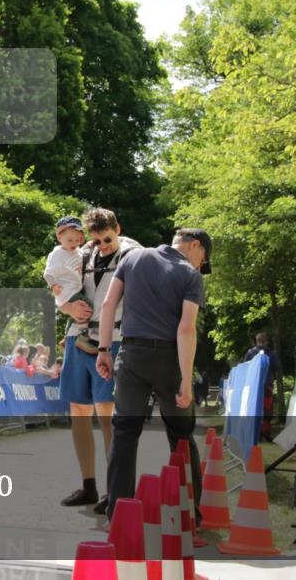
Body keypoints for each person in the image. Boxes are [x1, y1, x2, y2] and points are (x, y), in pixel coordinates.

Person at [96, 228, 213, 523]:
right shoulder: (190, 275)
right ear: (195, 246)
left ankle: (119, 513)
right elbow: (186, 329)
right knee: (182, 434)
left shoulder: (133, 258)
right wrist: (186, 381)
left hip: (131, 355)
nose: (201, 266)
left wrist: (103, 349)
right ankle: (189, 514)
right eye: (204, 259)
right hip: (169, 360)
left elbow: (108, 305)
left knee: (124, 433)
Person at [58, 207, 142, 515]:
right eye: (97, 241)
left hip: (114, 339)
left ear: (117, 228)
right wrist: (68, 308)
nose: (102, 246)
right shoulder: (80, 253)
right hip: (77, 337)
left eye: (107, 239)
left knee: (107, 415)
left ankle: (114, 489)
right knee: (79, 410)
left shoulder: (133, 254)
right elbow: (56, 283)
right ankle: (89, 485)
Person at [44, 215, 92, 344]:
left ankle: (67, 335)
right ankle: (83, 336)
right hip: (66, 291)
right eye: (70, 240)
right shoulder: (57, 254)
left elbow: (85, 251)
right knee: (87, 306)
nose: (74, 243)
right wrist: (53, 285)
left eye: (77, 239)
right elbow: (48, 273)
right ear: (59, 237)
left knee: (76, 313)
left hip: (76, 289)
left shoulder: (78, 251)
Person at [244, 332, 283, 439]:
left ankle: (255, 432)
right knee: (267, 410)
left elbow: (244, 368)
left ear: (256, 341)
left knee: (254, 408)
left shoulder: (250, 353)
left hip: (253, 386)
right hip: (266, 385)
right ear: (266, 341)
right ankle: (266, 432)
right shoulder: (271, 353)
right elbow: (278, 368)